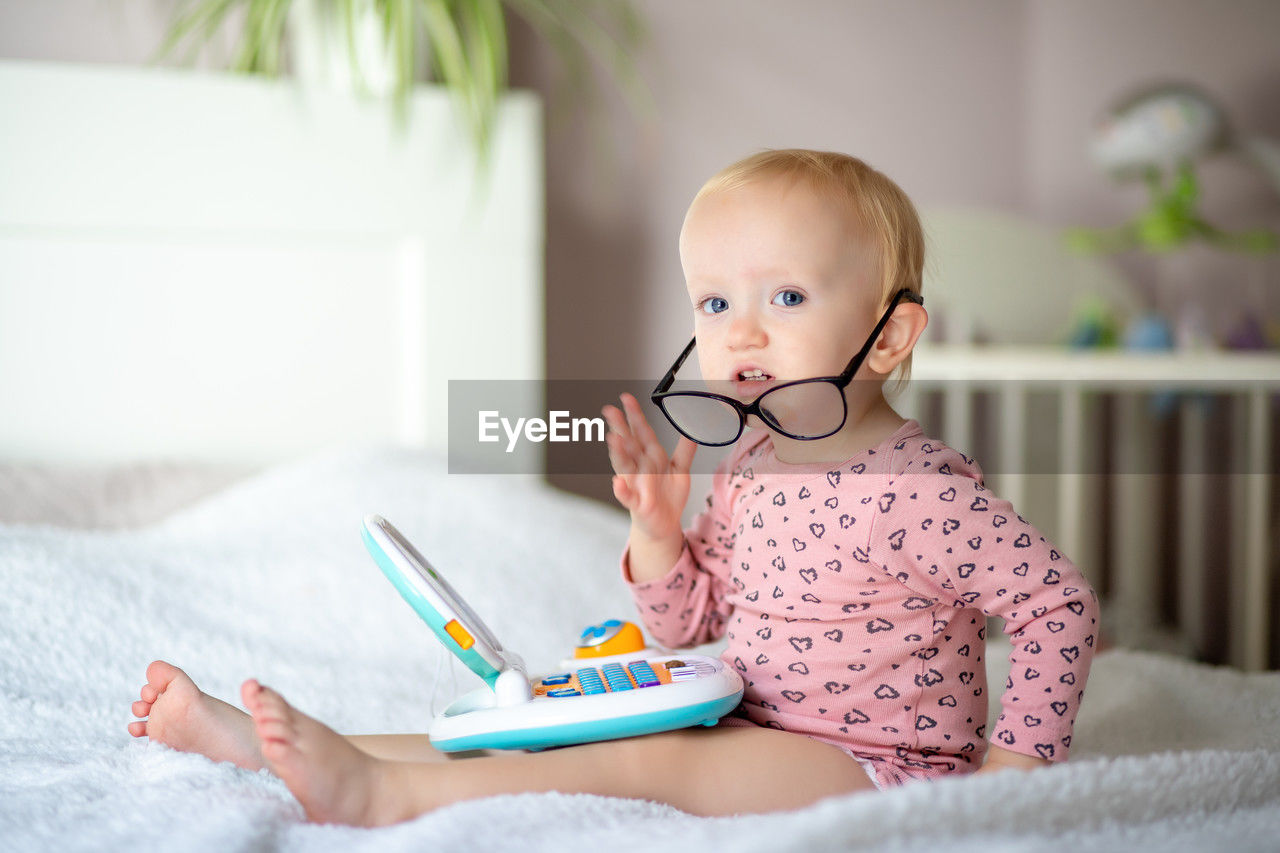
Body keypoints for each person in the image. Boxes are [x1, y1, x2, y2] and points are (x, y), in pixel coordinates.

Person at [128, 149, 1099, 825]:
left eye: (785, 296)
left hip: (872, 766)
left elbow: (1056, 606)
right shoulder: (752, 465)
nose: (740, 332)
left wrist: (1008, 775)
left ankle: (386, 799)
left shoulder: (918, 492)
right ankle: (271, 748)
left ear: (888, 335)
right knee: (525, 735)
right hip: (748, 717)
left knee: (654, 762)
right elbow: (684, 624)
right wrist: (659, 533)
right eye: (714, 303)